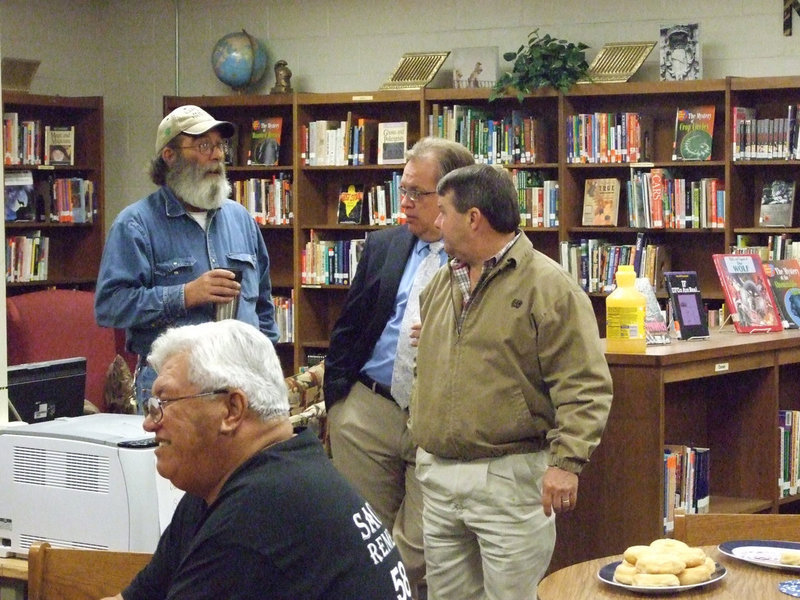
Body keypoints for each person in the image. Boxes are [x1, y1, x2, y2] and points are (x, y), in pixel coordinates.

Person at [411, 164, 613, 600]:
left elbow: (585, 384)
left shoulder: (549, 285)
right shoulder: (442, 281)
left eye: (444, 211)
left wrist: (567, 462)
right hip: (440, 475)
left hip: (509, 478)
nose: (437, 221)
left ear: (474, 218)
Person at [100, 319, 409, 600]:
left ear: (231, 411)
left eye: (164, 403)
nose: (149, 423)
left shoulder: (259, 514)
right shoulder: (247, 480)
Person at [323, 137, 475, 598]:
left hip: (439, 419)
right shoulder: (385, 245)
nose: (403, 202)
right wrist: (338, 406)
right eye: (401, 188)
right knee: (359, 540)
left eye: (416, 193)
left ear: (453, 195)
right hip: (368, 411)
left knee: (420, 550)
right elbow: (348, 329)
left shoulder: (478, 254)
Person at [95, 105, 280, 411]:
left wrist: (269, 367)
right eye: (203, 146)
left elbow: (263, 304)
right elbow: (110, 306)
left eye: (219, 145)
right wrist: (185, 295)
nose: (217, 155)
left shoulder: (241, 219)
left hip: (244, 383)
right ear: (170, 156)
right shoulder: (136, 225)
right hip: (175, 389)